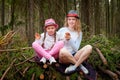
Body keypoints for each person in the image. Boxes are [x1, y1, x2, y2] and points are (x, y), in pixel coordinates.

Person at [58, 10, 92, 74]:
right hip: (63, 56)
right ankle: (80, 65)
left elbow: (76, 49)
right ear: (67, 20)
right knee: (63, 51)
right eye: (69, 19)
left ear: (76, 21)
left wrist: (70, 39)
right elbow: (56, 43)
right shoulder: (62, 30)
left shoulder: (79, 33)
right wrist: (64, 39)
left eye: (73, 19)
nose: (71, 21)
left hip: (74, 55)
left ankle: (74, 66)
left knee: (89, 47)